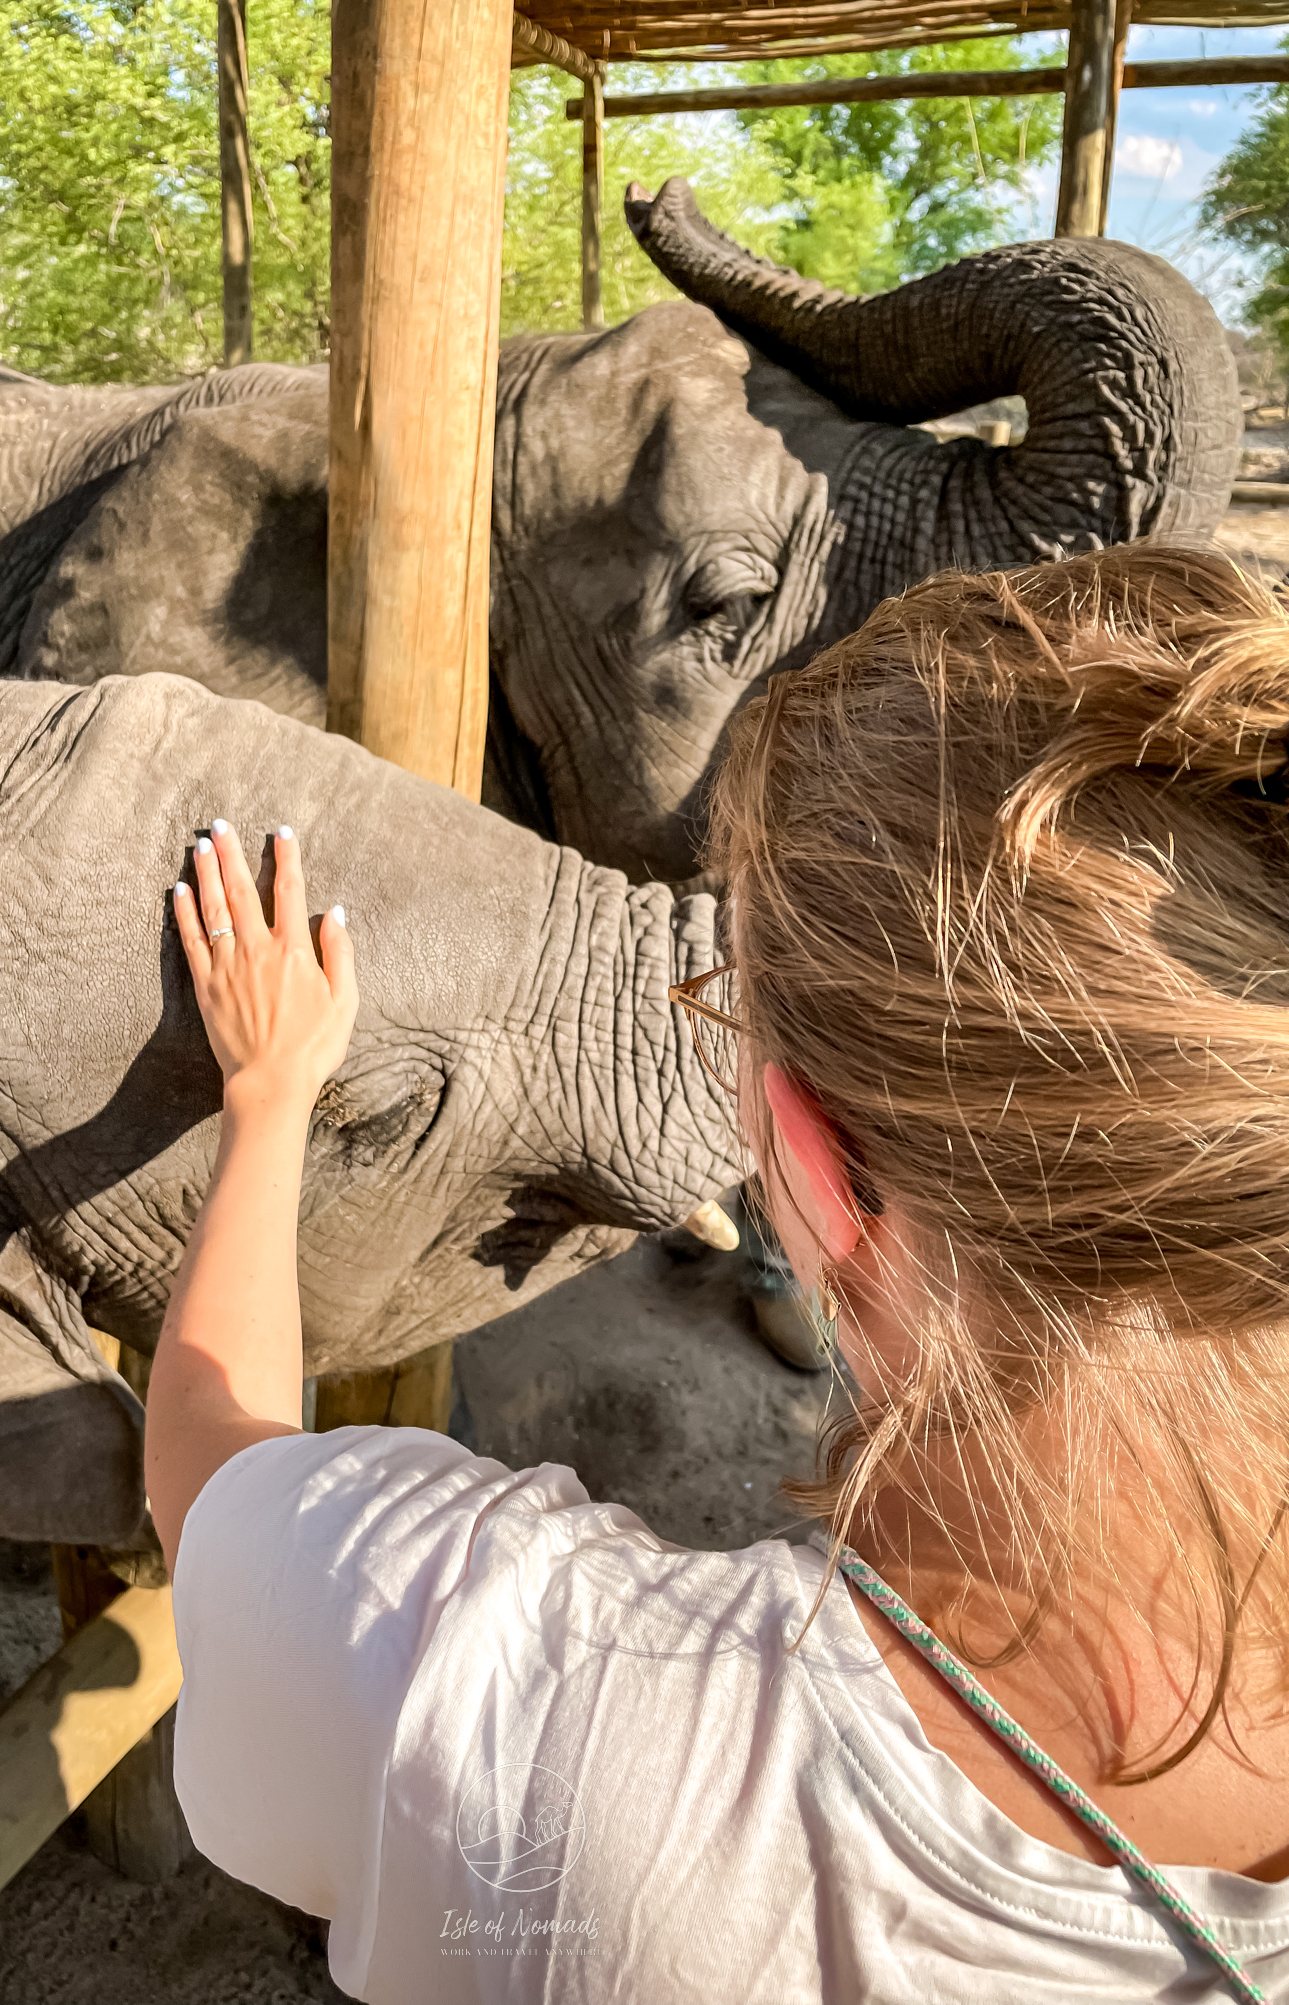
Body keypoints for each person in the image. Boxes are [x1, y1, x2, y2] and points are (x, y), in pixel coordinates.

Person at [146, 543, 1289, 2003]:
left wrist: (270, 1100)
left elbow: (206, 1470)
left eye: (734, 1008)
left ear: (811, 1164)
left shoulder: (539, 1712)